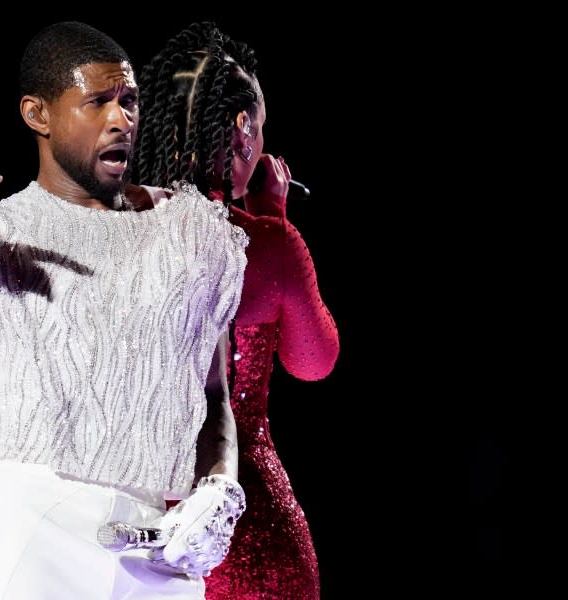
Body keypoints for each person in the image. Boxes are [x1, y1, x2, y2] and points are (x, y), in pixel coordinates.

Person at [0, 21, 250, 600]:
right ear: (37, 114)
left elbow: (214, 394)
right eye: (98, 102)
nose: (122, 119)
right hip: (21, 529)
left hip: (151, 547)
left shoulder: (192, 236)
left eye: (130, 100)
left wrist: (220, 489)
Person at [130, 21, 341, 600]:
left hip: (142, 519)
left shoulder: (119, 235)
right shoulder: (266, 244)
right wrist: (275, 221)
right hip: (248, 520)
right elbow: (314, 361)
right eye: (262, 126)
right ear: (245, 129)